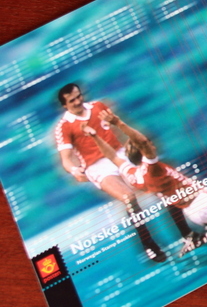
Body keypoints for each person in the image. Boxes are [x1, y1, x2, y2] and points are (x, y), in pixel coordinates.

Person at [82, 108, 207, 256]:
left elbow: (112, 156)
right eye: (148, 145)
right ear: (142, 152)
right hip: (205, 202)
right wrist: (118, 123)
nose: (152, 145)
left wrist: (94, 136)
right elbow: (143, 142)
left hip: (195, 211)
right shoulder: (152, 169)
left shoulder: (133, 175)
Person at [55, 83, 169, 262]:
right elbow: (66, 159)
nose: (78, 101)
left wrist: (135, 146)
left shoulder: (98, 106)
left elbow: (118, 126)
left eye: (79, 96)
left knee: (158, 183)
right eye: (72, 101)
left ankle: (187, 231)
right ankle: (148, 244)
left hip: (119, 154)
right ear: (65, 105)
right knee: (128, 197)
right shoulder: (64, 126)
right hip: (96, 166)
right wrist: (74, 170)